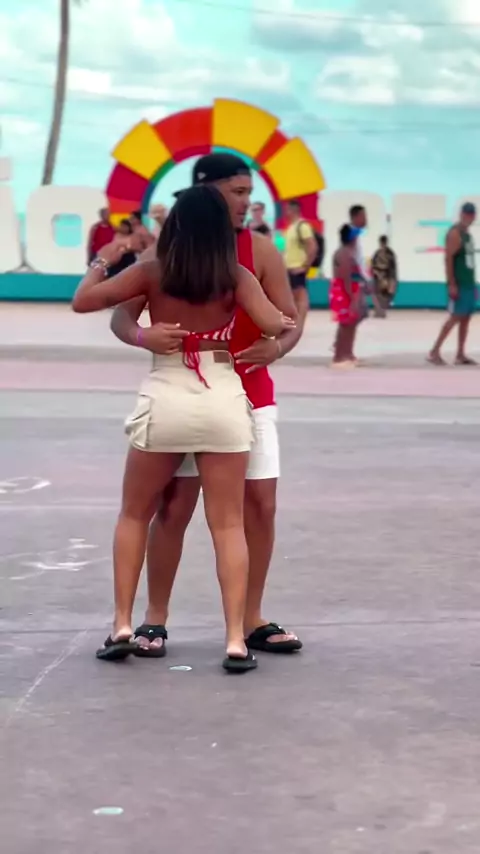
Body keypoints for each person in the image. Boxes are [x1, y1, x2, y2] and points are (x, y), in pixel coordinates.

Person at [72, 185, 294, 672]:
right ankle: (235, 639)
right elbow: (276, 324)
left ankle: (124, 623)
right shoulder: (235, 275)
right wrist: (276, 327)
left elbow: (84, 301)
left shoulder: (154, 271)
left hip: (168, 391)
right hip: (221, 394)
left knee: (136, 514)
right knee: (228, 524)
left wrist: (104, 259)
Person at [428, 202, 477, 366]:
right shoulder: (455, 234)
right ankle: (434, 350)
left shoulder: (468, 235)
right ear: (461, 214)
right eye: (467, 214)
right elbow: (448, 259)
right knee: (455, 316)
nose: (469, 217)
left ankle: (460, 353)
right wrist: (452, 283)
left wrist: (473, 284)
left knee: (466, 318)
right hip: (459, 283)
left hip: (468, 282)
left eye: (472, 214)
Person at [329, 225, 363, 367]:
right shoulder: (343, 254)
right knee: (345, 324)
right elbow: (346, 278)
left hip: (349, 291)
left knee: (350, 323)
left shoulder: (348, 253)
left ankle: (347, 353)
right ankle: (339, 356)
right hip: (344, 292)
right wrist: (352, 298)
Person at [284, 199, 317, 315]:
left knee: (300, 299)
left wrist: (305, 266)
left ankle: (299, 322)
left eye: (287, 209)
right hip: (289, 269)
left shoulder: (302, 226)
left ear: (293, 210)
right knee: (293, 300)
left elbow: (312, 246)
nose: (286, 212)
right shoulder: (291, 228)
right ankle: (295, 321)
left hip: (297, 268)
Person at [371, 235, 397, 316]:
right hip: (379, 277)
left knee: (384, 295)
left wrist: (392, 279)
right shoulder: (379, 253)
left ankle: (381, 311)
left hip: (385, 277)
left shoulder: (389, 253)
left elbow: (392, 267)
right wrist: (375, 273)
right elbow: (373, 265)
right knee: (379, 295)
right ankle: (379, 311)